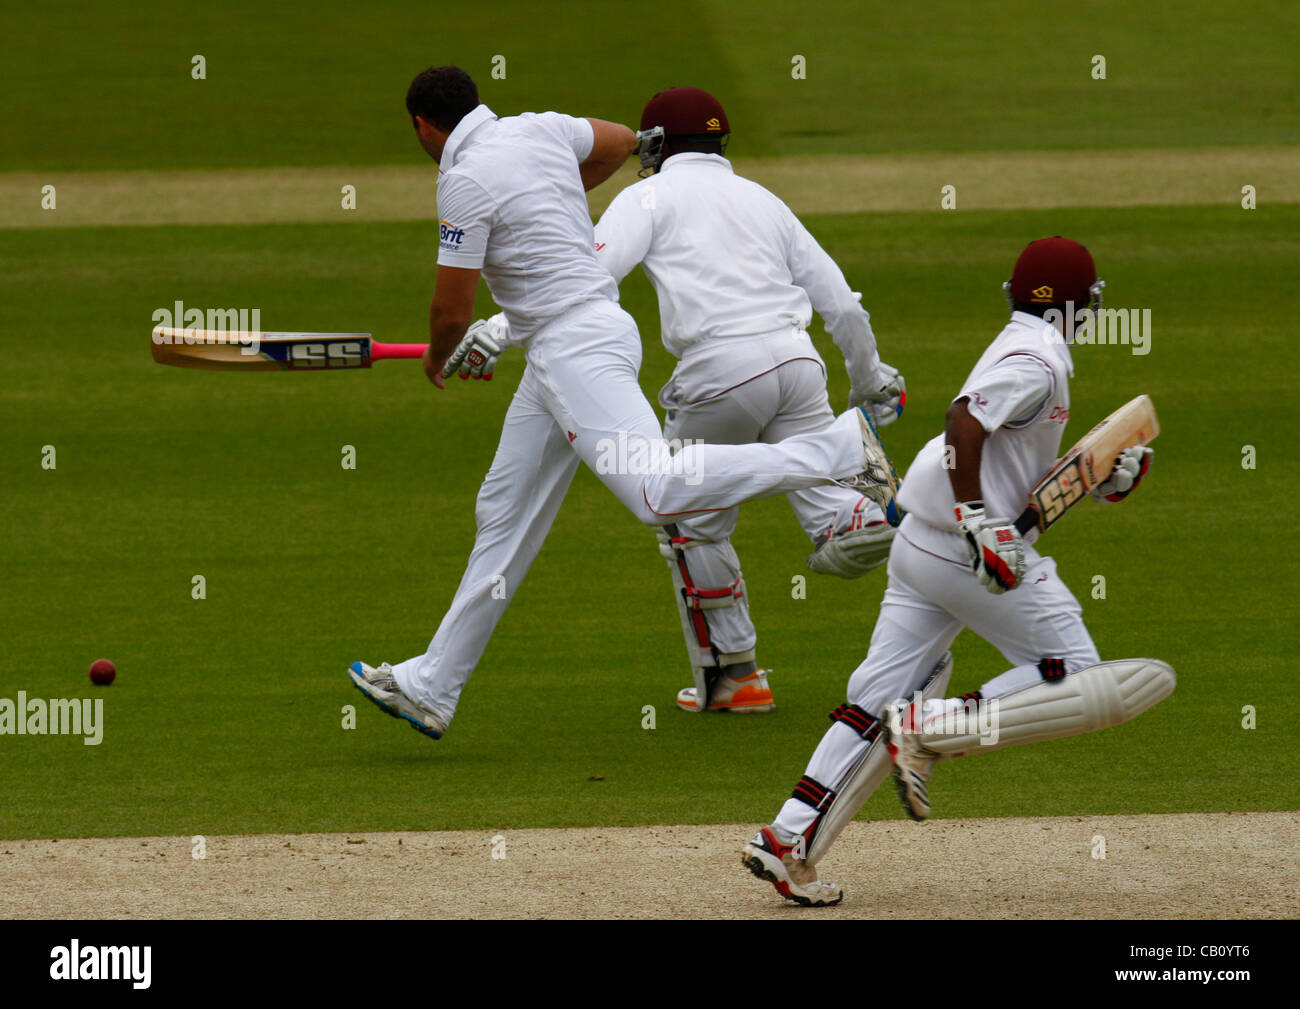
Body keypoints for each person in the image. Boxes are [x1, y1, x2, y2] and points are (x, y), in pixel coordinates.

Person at [347, 66, 897, 740]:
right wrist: (546, 196)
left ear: (422, 126)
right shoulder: (540, 130)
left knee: (657, 493)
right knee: (504, 511)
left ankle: (836, 451)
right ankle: (432, 684)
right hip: (572, 344)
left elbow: (451, 311)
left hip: (573, 347)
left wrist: (442, 353)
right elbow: (618, 140)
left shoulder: (462, 179)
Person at [740, 237, 1175, 907]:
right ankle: (929, 727)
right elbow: (963, 421)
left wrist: (1103, 477)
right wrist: (978, 519)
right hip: (966, 550)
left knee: (875, 697)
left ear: (1014, 295)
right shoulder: (1037, 360)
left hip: (921, 545)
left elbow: (1014, 462)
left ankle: (788, 838)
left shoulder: (1022, 344)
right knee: (1077, 673)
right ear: (1081, 306)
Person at [590, 86, 906, 714]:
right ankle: (864, 516)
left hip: (719, 373)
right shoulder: (763, 199)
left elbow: (588, 277)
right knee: (821, 487)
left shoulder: (645, 198)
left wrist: (504, 328)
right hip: (797, 362)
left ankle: (736, 678)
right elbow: (843, 305)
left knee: (688, 517)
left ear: (655, 144)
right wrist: (869, 382)